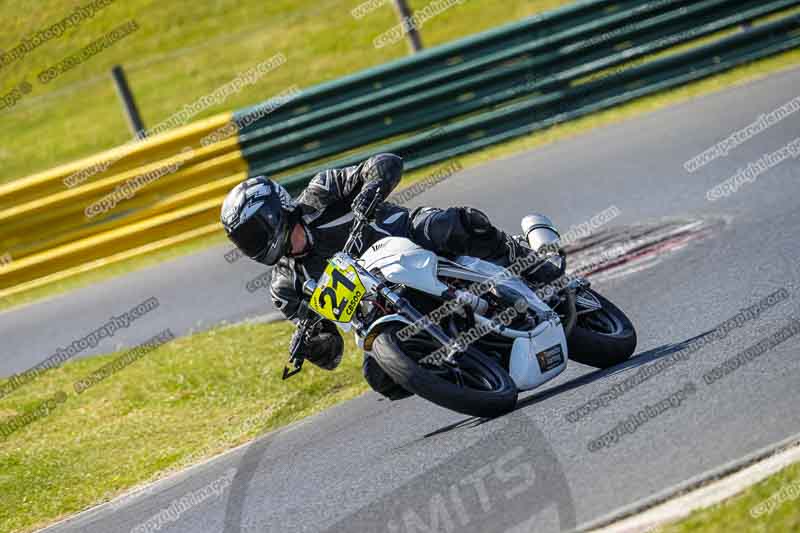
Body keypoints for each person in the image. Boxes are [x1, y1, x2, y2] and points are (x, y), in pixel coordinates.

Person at [220, 153, 560, 399]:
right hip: (382, 307)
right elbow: (332, 351)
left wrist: (371, 186)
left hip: (412, 240)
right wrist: (312, 344)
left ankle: (531, 265)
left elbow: (385, 163)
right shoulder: (287, 286)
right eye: (244, 239)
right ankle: (472, 367)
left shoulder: (320, 193)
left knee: (455, 223)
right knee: (381, 378)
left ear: (275, 212)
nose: (253, 244)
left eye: (254, 232)